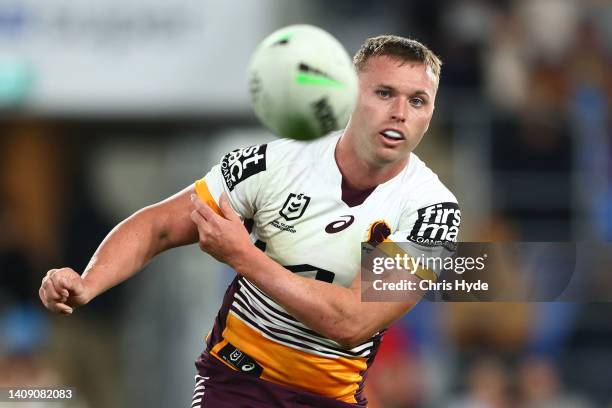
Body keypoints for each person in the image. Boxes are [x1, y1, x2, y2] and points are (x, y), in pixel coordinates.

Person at [39, 35, 460, 407]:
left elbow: (352, 323)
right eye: (384, 93)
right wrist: (88, 283)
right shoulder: (273, 163)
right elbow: (160, 226)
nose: (400, 112)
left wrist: (243, 256)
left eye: (417, 100)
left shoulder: (434, 213)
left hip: (332, 397)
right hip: (237, 383)